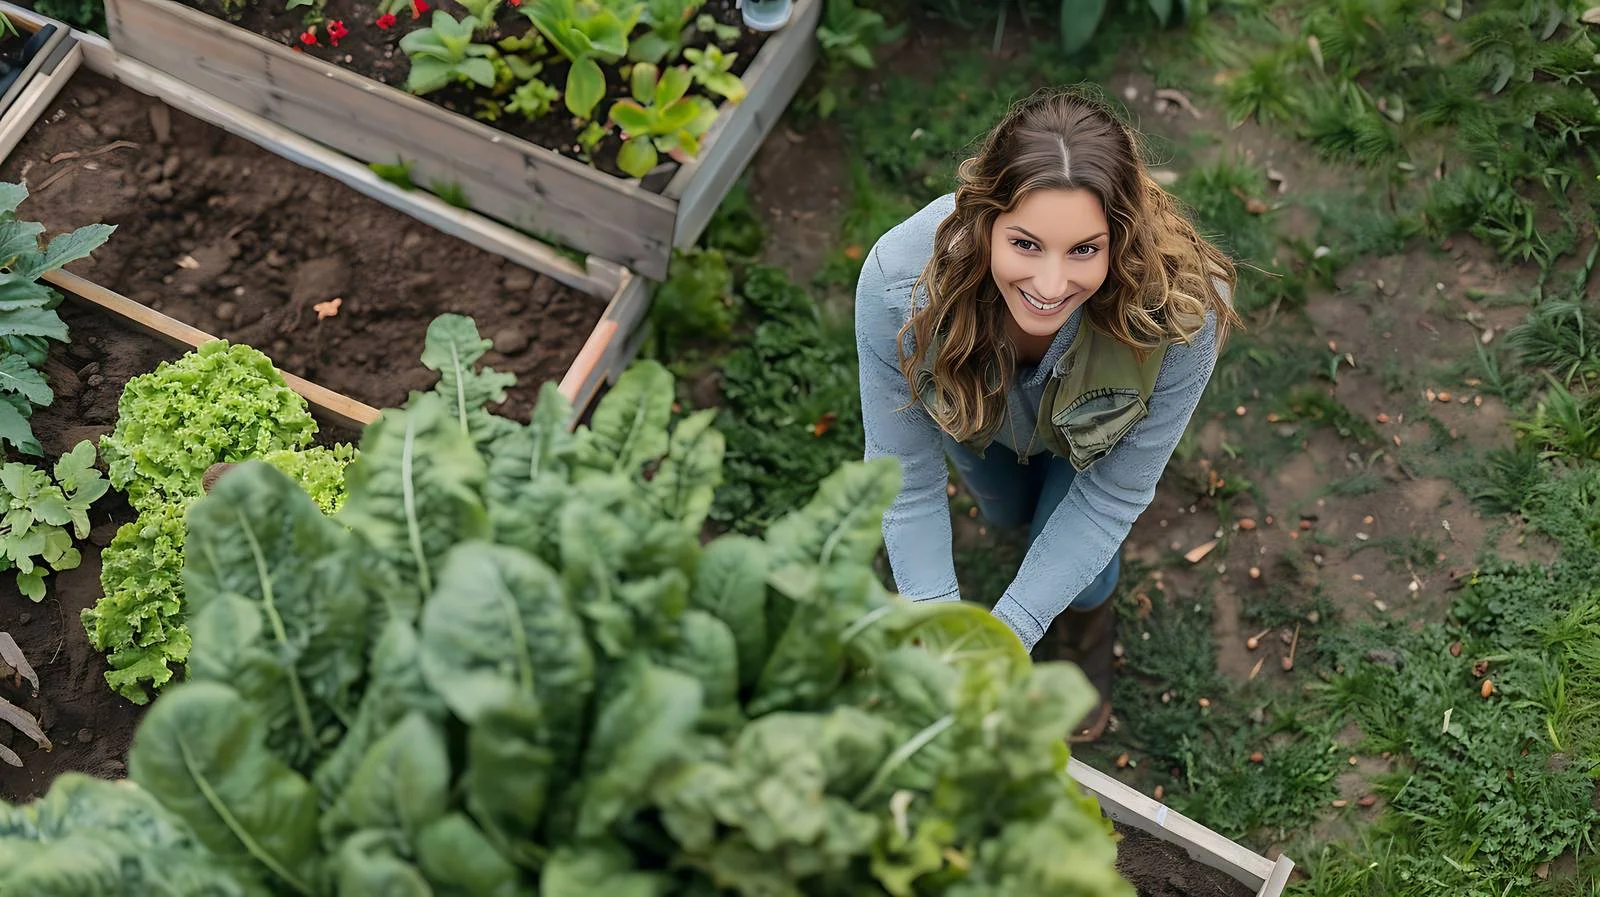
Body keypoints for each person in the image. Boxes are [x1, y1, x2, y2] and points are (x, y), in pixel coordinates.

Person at [854, 86, 1240, 742]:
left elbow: (1111, 498)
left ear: (1122, 235)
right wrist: (943, 638)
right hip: (982, 419)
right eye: (1026, 244)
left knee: (1081, 552)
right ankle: (1034, 538)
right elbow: (906, 484)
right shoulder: (898, 289)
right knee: (1007, 512)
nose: (1052, 284)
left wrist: (1007, 636)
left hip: (1094, 443)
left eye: (1085, 250)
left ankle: (1087, 627)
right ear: (984, 218)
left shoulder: (1181, 312)